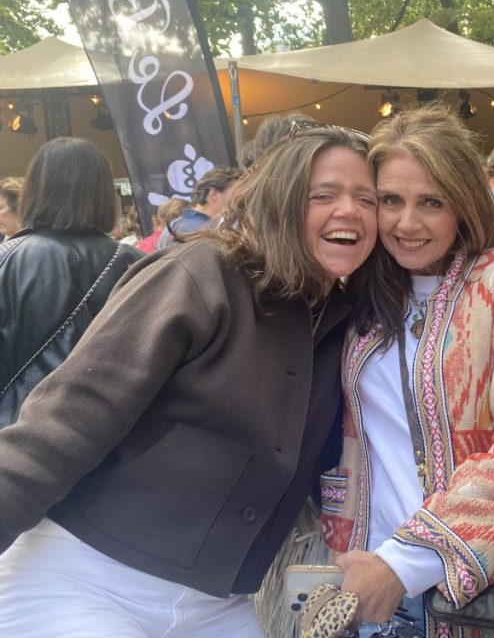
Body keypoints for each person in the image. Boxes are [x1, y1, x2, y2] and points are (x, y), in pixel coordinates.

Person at [0, 125, 378, 637]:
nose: (349, 210)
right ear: (281, 201)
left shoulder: (348, 321)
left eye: (367, 199)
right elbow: (63, 422)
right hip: (84, 579)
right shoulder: (202, 274)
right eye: (323, 195)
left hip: (218, 605)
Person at [321, 105, 494, 637]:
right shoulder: (359, 293)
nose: (407, 223)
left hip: (482, 589)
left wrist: (406, 562)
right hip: (370, 583)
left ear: (463, 202)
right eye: (390, 201)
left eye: (432, 201)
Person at [0, 138, 142, 427]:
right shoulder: (137, 263)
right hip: (115, 429)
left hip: (19, 429)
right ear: (103, 192)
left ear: (35, 190)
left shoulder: (6, 259)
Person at [156, 165, 242, 250]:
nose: (241, 200)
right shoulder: (192, 230)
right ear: (214, 195)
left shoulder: (181, 224)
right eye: (237, 194)